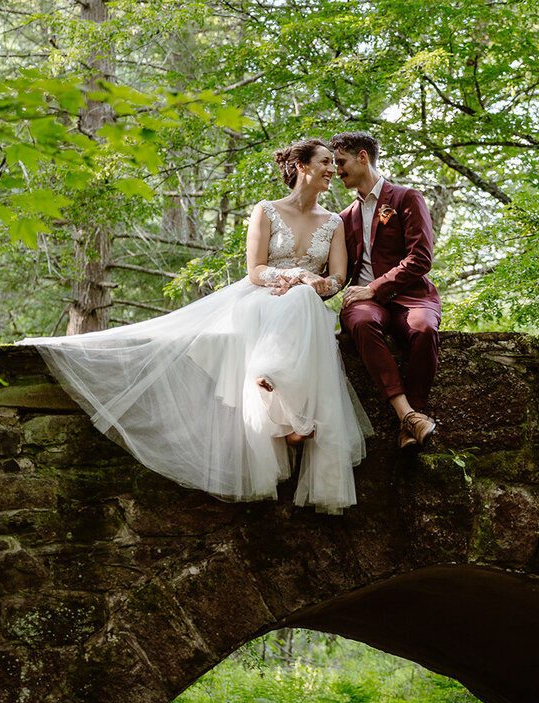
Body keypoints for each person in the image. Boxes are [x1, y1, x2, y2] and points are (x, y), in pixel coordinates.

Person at [20, 139, 369, 513]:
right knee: (293, 298)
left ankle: (280, 396)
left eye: (335, 163)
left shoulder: (334, 221)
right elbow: (255, 272)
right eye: (325, 162)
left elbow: (337, 278)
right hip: (263, 302)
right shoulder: (266, 210)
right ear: (302, 167)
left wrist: (313, 284)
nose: (334, 169)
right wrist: (295, 274)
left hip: (304, 307)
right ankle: (289, 409)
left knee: (302, 299)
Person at [330, 131, 441, 450]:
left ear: (362, 157)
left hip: (412, 296)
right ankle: (410, 416)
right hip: (363, 303)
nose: (337, 171)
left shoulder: (406, 198)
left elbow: (421, 257)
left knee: (423, 330)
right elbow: (333, 269)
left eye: (341, 162)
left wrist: (375, 288)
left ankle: (411, 422)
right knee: (362, 324)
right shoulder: (343, 218)